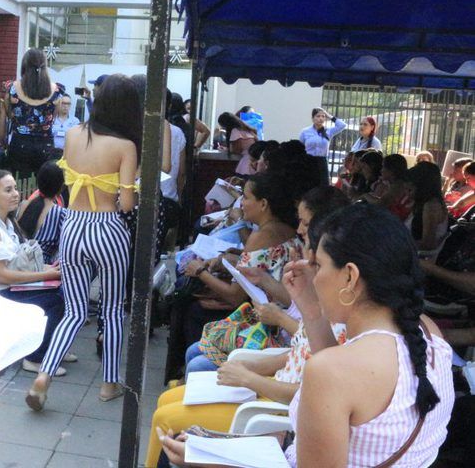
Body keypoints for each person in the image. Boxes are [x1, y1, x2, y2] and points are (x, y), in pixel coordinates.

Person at [162, 204, 455, 467]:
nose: (312, 274)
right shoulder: (430, 334)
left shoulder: (331, 372)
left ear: (350, 276)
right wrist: (312, 312)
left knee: (174, 451)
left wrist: (212, 463)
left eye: (318, 265)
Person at [144, 186, 350, 468]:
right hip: (274, 394)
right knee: (170, 400)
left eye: (318, 264)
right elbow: (302, 353)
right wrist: (248, 367)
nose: (298, 228)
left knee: (169, 416)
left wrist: (249, 376)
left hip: (275, 413)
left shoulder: (342, 321)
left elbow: (311, 390)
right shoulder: (327, 312)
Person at [25, 74, 140, 410]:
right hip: (108, 228)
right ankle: (108, 384)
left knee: (74, 310)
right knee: (113, 309)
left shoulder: (73, 134)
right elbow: (128, 204)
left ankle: (44, 376)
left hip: (73, 225)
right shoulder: (126, 146)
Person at [181, 172, 304, 372]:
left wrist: (200, 271)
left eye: (246, 198)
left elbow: (233, 297)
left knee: (196, 358)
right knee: (194, 350)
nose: (241, 204)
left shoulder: (260, 237)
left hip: (270, 330)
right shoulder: (287, 230)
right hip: (277, 322)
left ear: (263, 204)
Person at [0, 170, 74, 375]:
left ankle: (55, 345)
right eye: (8, 190)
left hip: (6, 288)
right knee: (58, 299)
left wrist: (54, 269)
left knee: (66, 290)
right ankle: (35, 358)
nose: (15, 194)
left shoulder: (6, 222)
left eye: (15, 188)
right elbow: (1, 276)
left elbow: (17, 264)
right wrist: (47, 275)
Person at [6, 49, 64, 178]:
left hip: (19, 144)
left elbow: (9, 114)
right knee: (43, 186)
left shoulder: (13, 88)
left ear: (24, 65)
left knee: (19, 185)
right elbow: (54, 117)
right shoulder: (56, 91)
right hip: (45, 144)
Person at [18, 161, 67, 264]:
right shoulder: (60, 213)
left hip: (21, 261)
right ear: (61, 187)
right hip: (43, 267)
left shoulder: (24, 205)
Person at [407, 162, 450, 255]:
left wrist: (397, 244)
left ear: (422, 186)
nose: (408, 193)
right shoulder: (425, 203)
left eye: (411, 189)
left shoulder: (431, 206)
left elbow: (428, 244)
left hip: (419, 258)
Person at [360, 153, 412, 220]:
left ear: (392, 170)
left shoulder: (398, 186)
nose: (381, 170)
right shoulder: (393, 184)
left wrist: (365, 196)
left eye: (383, 167)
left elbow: (380, 204)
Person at [298, 107, 347, 173]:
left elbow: (342, 125)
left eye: (323, 116)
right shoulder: (305, 132)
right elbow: (300, 149)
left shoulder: (328, 131)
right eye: (318, 116)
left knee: (323, 183)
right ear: (312, 118)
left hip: (322, 162)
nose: (320, 118)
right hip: (308, 162)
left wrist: (329, 115)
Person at [217, 112, 259, 176]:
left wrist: (225, 150)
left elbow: (237, 150)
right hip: (253, 162)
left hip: (246, 164)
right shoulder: (247, 129)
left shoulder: (235, 132)